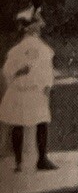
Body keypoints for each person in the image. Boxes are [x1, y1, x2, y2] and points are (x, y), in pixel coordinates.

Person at [0, 9, 55, 172]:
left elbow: (46, 69)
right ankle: (21, 161)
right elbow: (8, 70)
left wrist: (46, 86)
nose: (39, 27)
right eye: (35, 24)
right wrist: (19, 72)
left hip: (34, 90)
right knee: (20, 122)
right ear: (28, 28)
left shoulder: (41, 48)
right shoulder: (19, 49)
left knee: (40, 122)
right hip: (22, 89)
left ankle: (40, 159)